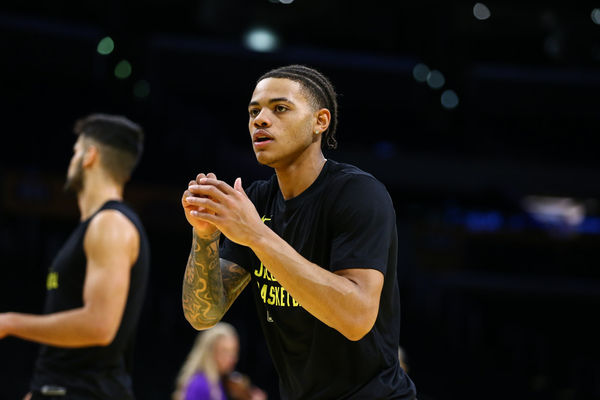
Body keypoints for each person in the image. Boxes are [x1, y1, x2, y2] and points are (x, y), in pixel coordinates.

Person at [181, 65, 417, 399]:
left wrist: (256, 235)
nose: (260, 120)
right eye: (253, 111)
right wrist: (205, 234)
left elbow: (356, 317)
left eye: (280, 108)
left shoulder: (358, 194)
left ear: (320, 121)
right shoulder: (259, 201)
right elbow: (202, 315)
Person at [0, 114, 150, 399]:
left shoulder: (110, 224)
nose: (71, 161)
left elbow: (99, 326)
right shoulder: (96, 225)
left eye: (75, 152)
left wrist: (8, 322)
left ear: (89, 156)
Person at [172, 322, 267, 400]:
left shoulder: (219, 383)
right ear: (210, 352)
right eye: (225, 352)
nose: (232, 358)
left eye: (234, 352)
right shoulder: (200, 384)